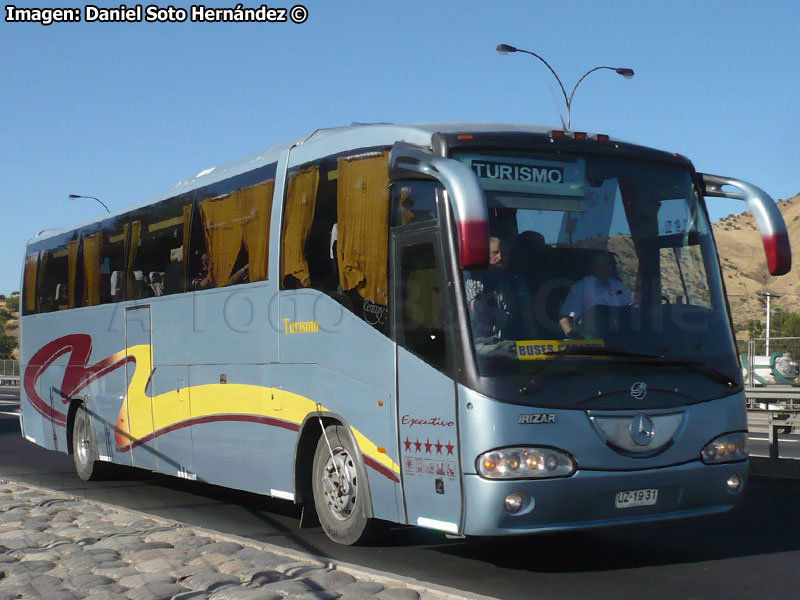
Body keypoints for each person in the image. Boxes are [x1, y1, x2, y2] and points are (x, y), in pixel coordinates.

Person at [559, 252, 634, 337]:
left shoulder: (618, 286)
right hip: (592, 343)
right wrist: (573, 338)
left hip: (620, 341)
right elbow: (565, 319)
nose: (606, 267)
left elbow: (633, 309)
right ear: (591, 267)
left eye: (608, 264)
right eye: (602, 263)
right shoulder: (580, 287)